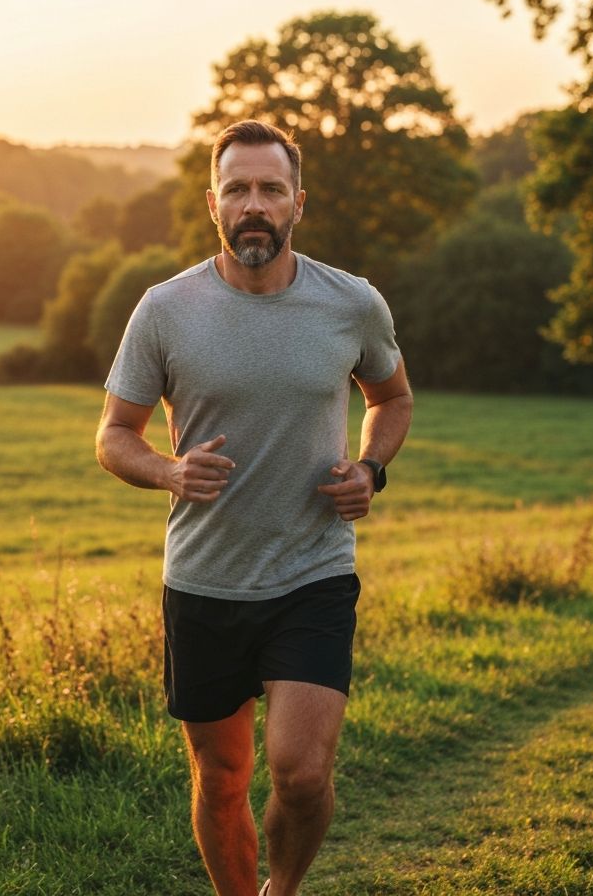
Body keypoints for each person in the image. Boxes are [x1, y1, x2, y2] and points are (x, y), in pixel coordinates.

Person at [95, 119, 412, 896]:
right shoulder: (165, 309)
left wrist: (370, 468)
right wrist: (169, 472)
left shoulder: (352, 303)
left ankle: (284, 889)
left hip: (313, 571)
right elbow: (113, 435)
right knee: (223, 776)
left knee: (301, 775)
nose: (254, 205)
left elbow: (392, 398)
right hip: (205, 580)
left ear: (298, 202)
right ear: (213, 204)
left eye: (271, 188)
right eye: (237, 189)